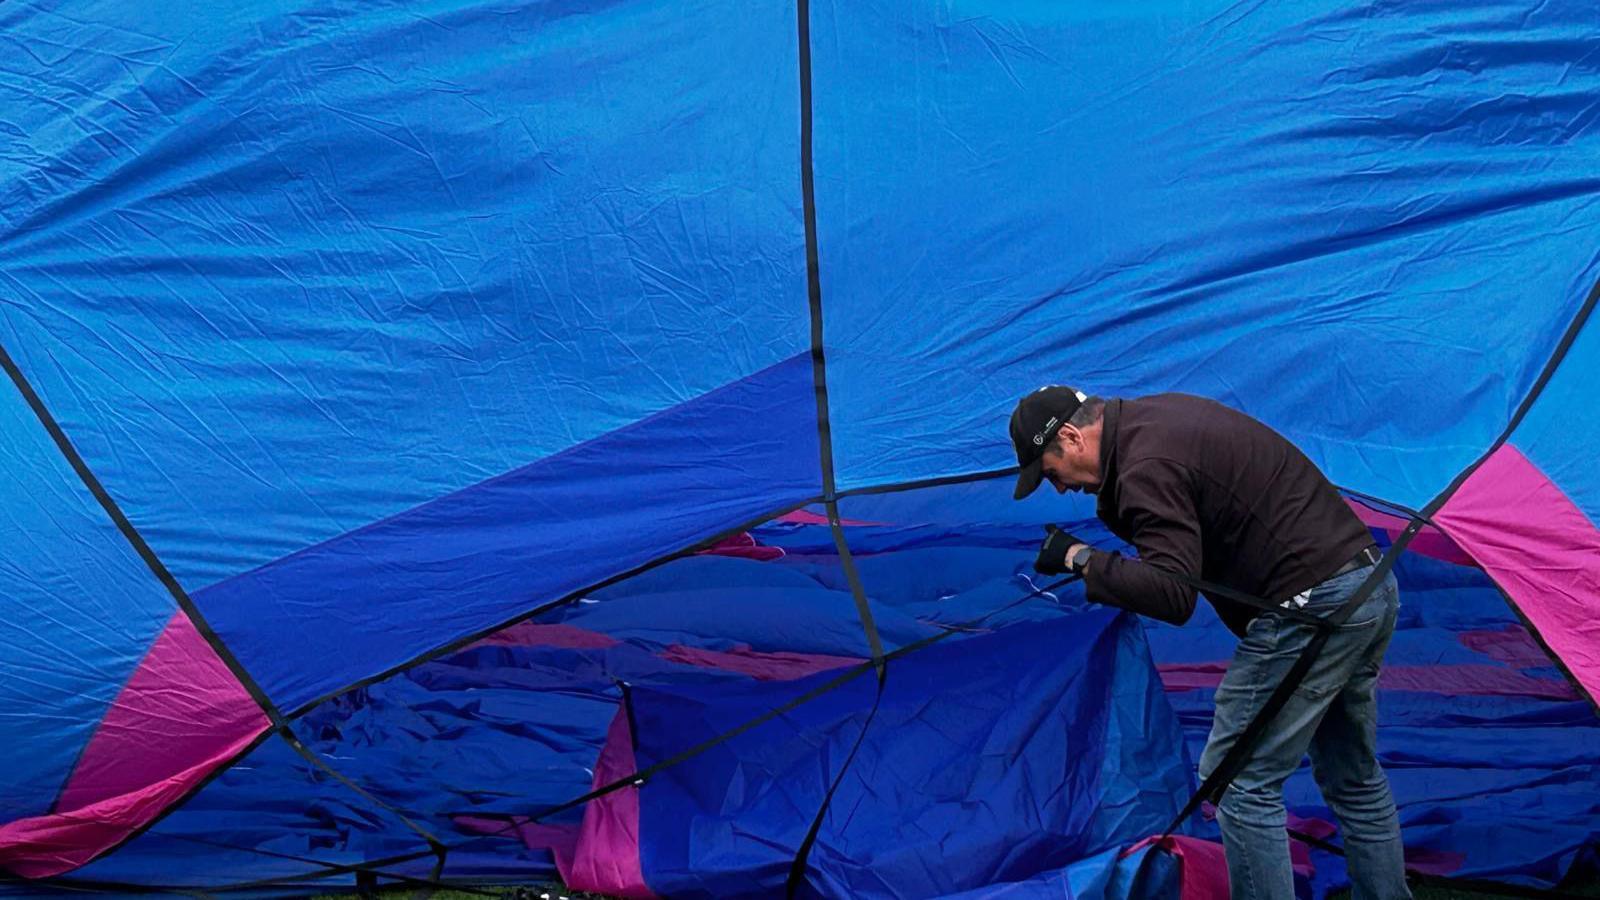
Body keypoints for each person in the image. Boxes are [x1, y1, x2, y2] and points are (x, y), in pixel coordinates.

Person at [1008, 386, 1410, 900]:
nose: (1057, 489)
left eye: (1049, 471)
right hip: (1367, 588)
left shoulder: (1142, 464)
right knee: (1352, 777)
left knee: (1240, 785)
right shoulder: (1152, 423)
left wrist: (1079, 558)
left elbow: (1175, 595)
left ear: (1070, 436)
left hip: (1312, 608)